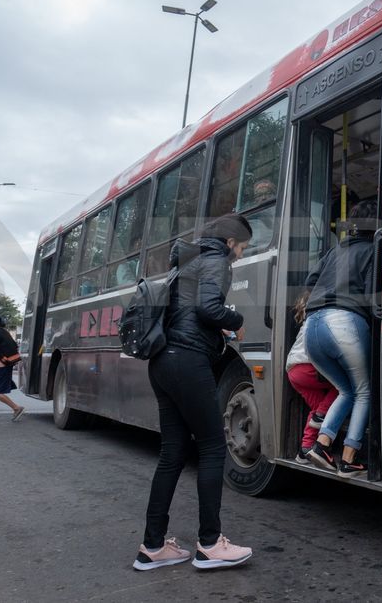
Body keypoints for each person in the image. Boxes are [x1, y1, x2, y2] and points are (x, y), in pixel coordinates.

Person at [135, 214, 254, 571]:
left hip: (163, 361)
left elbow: (191, 312)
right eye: (242, 247)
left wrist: (217, 331)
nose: (241, 254)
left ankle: (153, 546)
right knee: (214, 447)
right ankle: (210, 544)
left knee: (172, 453)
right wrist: (236, 323)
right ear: (230, 242)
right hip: (188, 361)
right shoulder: (217, 259)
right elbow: (209, 308)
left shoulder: (186, 262)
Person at [304, 199, 377, 478]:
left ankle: (322, 446)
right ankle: (348, 458)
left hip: (312, 326)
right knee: (364, 391)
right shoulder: (373, 250)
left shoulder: (336, 249)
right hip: (344, 323)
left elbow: (310, 282)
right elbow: (371, 296)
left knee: (347, 390)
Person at [285, 292, 336, 462]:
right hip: (307, 368)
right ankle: (321, 415)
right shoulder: (322, 319)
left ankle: (304, 450)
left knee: (317, 407)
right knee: (344, 387)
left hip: (293, 372)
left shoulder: (307, 320)